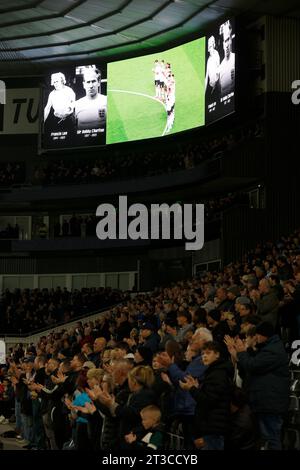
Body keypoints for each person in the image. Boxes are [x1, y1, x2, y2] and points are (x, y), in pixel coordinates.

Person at [218, 21, 235, 97]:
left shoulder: (235, 58)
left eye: (228, 39)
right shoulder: (220, 67)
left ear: (231, 40)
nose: (227, 44)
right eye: (225, 41)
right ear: (223, 44)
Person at [205, 35, 220, 100]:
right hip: (211, 87)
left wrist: (217, 84)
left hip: (216, 86)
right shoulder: (209, 60)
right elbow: (206, 78)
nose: (209, 48)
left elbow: (218, 70)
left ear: (213, 45)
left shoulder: (216, 54)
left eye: (211, 45)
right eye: (209, 46)